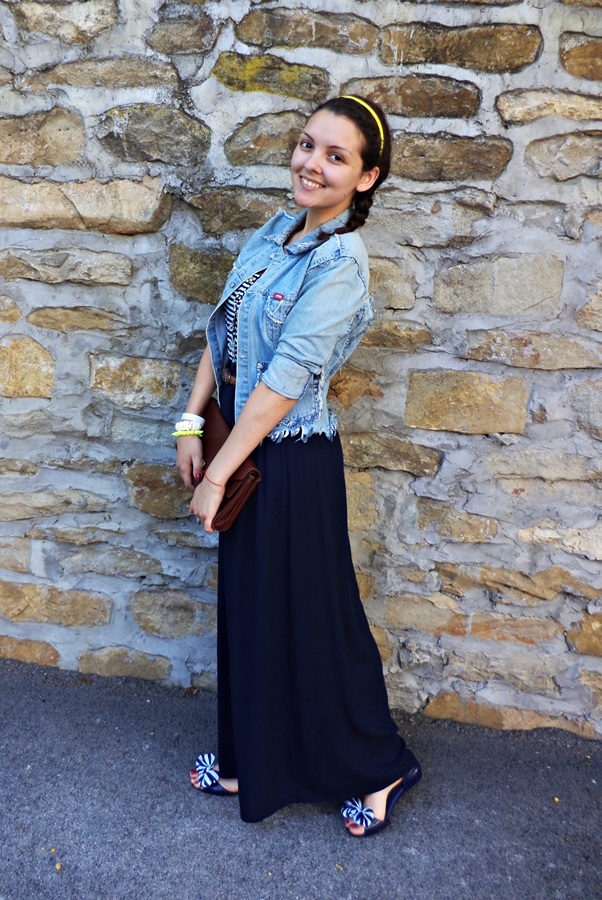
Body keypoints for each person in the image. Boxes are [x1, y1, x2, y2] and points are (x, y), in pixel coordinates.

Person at [175, 95, 421, 837]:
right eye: (307, 144)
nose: (311, 163)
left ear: (366, 178)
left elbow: (284, 380)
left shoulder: (341, 260)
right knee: (254, 615)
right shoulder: (275, 231)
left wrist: (219, 474)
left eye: (335, 156)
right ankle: (251, 758)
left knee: (315, 622)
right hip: (243, 447)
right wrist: (191, 422)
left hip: (291, 465)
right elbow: (219, 334)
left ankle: (380, 765)